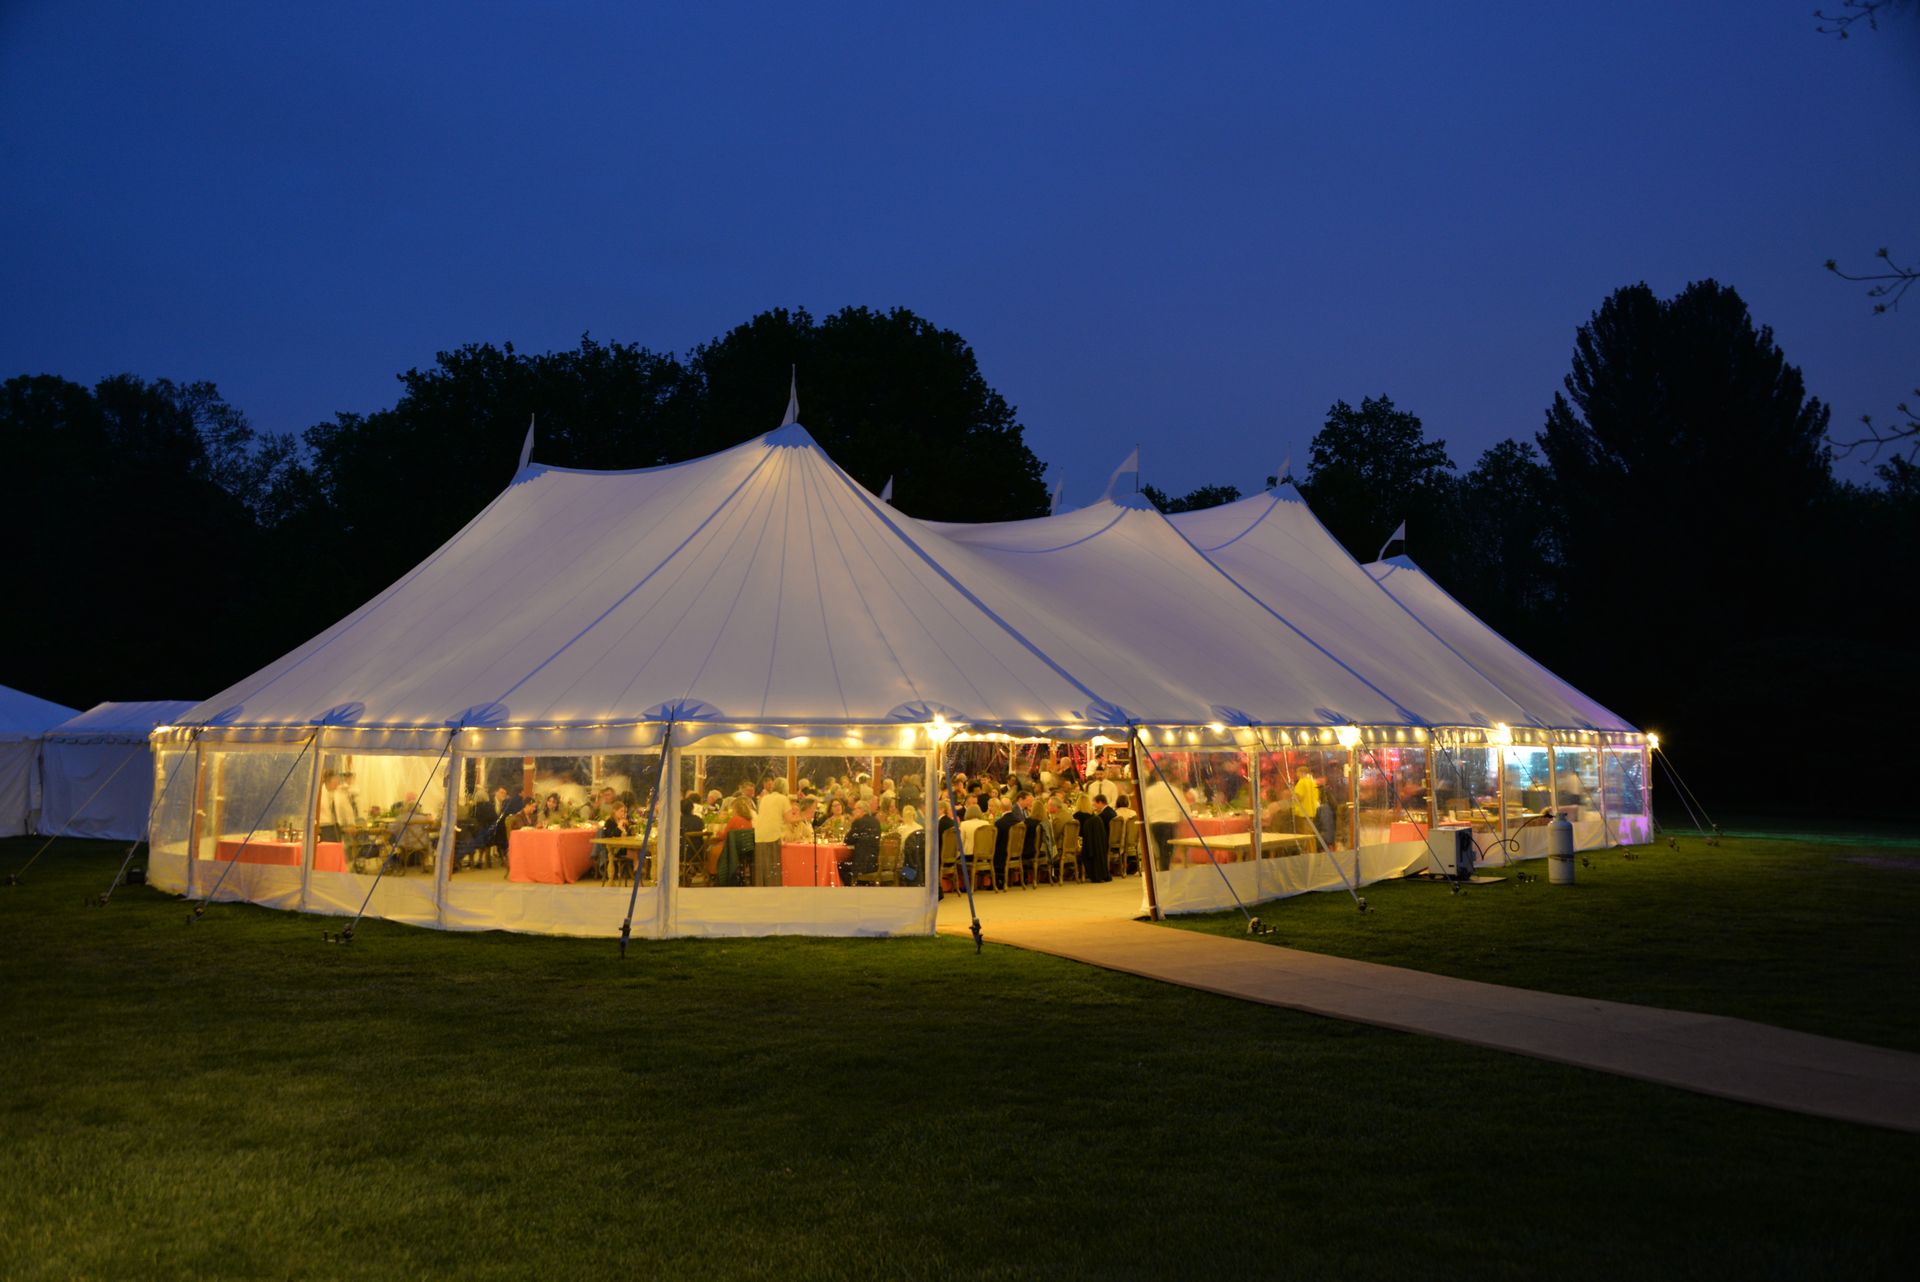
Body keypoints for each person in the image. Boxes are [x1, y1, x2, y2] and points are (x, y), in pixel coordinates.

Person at [1140, 770, 1185, 871]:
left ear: (1156, 777)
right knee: (1168, 850)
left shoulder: (1149, 791)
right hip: (1170, 822)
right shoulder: (1175, 790)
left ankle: (1163, 869)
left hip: (1155, 823)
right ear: (1169, 777)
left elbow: (1145, 808)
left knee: (1160, 848)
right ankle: (1165, 870)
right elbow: (1183, 808)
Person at [753, 776, 788, 887]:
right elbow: (789, 818)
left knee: (763, 868)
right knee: (773, 869)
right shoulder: (783, 798)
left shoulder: (765, 798)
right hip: (773, 836)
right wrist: (804, 815)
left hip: (759, 837)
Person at [841, 799, 882, 886]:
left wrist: (853, 822)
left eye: (855, 809)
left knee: (840, 866)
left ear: (861, 810)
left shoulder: (858, 822)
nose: (853, 812)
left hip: (861, 866)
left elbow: (847, 840)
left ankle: (850, 892)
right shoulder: (876, 822)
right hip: (874, 864)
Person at [1075, 795, 1111, 882]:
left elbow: (1077, 834)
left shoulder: (1076, 817)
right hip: (1097, 848)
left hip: (1085, 846)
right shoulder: (1094, 816)